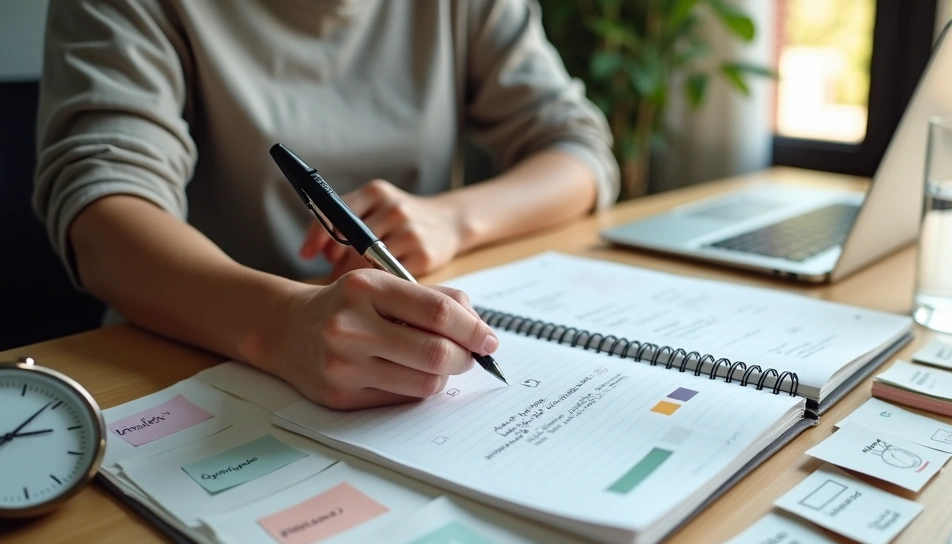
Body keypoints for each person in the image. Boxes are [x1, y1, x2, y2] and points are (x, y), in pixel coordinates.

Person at [33, 0, 618, 409]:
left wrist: (453, 219)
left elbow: (580, 152)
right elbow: (101, 209)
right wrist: (278, 325)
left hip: (399, 340)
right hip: (195, 355)